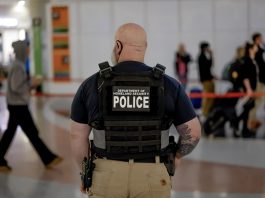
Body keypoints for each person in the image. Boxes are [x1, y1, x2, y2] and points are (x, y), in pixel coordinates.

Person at [70, 23, 201, 198]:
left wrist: (85, 172)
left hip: (106, 176)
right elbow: (193, 133)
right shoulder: (168, 84)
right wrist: (177, 156)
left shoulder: (92, 84)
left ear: (118, 46)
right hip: (153, 174)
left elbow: (77, 136)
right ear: (144, 47)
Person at [0, 40, 62, 171]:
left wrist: (29, 81)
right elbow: (16, 86)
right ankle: (48, 158)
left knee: (19, 132)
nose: (29, 51)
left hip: (16, 105)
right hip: (18, 105)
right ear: (22, 50)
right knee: (31, 132)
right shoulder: (18, 66)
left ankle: (48, 158)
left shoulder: (18, 65)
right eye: (27, 49)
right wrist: (32, 83)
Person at [248, 33, 265, 130]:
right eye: (260, 38)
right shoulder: (254, 48)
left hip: (262, 78)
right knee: (256, 102)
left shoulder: (261, 47)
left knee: (259, 101)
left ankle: (254, 121)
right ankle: (252, 122)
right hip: (259, 80)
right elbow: (253, 61)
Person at [197, 42, 215, 117]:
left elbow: (207, 68)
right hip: (206, 80)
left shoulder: (202, 56)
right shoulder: (201, 57)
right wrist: (211, 55)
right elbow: (209, 65)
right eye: (207, 47)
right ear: (204, 48)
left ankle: (206, 112)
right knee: (208, 96)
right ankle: (205, 112)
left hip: (207, 79)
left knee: (209, 96)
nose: (209, 49)